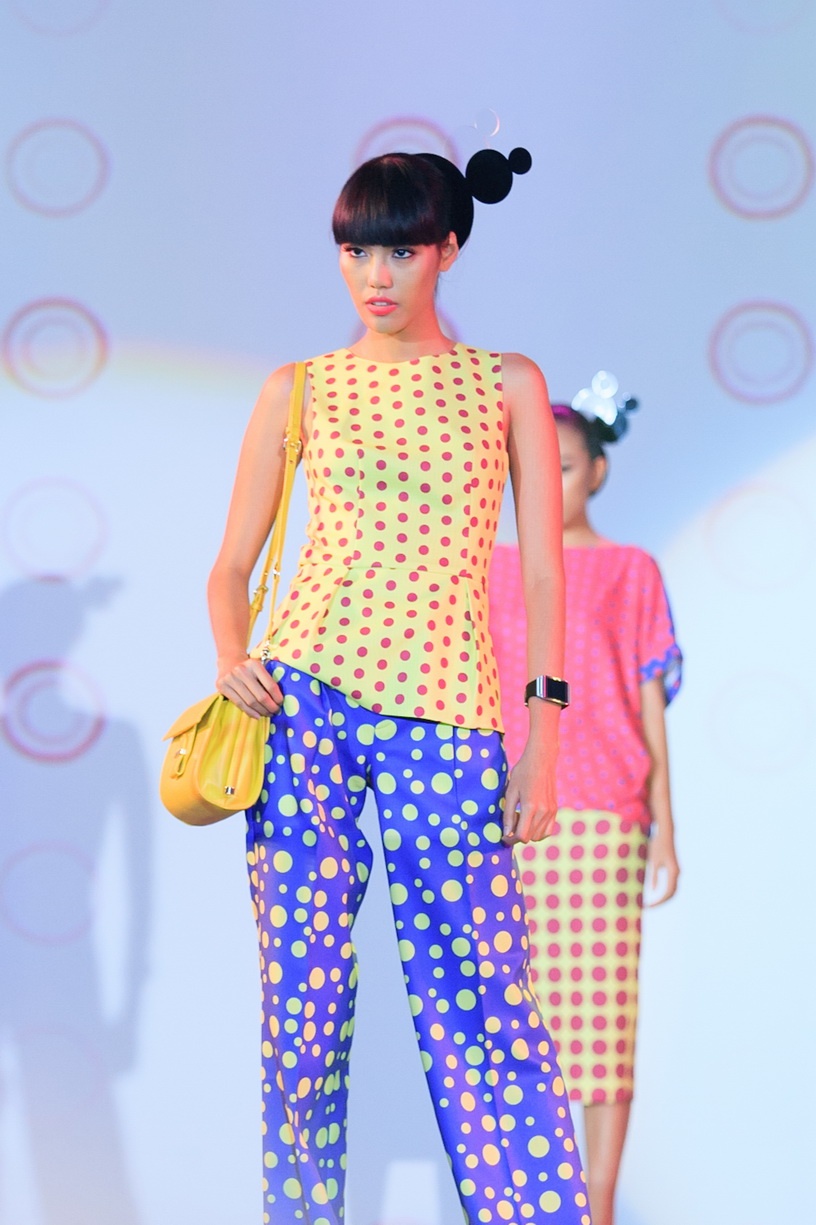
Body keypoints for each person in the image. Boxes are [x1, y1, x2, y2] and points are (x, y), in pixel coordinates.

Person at [206, 148, 591, 1224]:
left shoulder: (507, 383)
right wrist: (232, 655)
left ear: (448, 250)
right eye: (355, 252)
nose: (375, 276)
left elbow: (543, 569)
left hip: (448, 714)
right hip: (303, 708)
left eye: (401, 252)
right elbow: (229, 566)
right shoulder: (299, 386)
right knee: (303, 1009)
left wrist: (545, 737)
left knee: (484, 1001)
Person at [489, 382, 682, 1225]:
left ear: (596, 471)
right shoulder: (488, 567)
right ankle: (522, 1199)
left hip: (605, 809)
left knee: (602, 1025)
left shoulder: (631, 568)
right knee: (508, 1021)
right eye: (531, 466)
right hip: (507, 813)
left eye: (563, 466)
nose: (547, 481)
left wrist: (666, 824)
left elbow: (649, 698)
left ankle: (597, 1206)